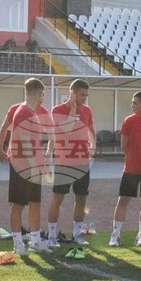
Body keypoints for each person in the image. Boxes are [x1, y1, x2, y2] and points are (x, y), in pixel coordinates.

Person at [0, 78, 53, 257]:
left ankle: (35, 241)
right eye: (43, 94)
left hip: (32, 167)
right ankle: (18, 244)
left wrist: (43, 160)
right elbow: (25, 144)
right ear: (39, 94)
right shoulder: (22, 112)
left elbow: (45, 139)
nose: (44, 98)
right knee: (18, 204)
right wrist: (35, 166)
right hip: (22, 167)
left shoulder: (34, 112)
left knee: (35, 203)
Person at [48, 79, 95, 246]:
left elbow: (91, 130)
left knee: (81, 198)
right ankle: (52, 236)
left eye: (86, 95)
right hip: (64, 162)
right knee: (58, 198)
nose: (84, 98)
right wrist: (73, 110)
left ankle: (77, 234)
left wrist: (92, 147)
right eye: (82, 95)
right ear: (72, 93)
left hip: (82, 162)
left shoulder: (87, 110)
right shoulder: (57, 110)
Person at [110, 91, 141, 247]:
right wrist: (133, 158)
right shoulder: (129, 121)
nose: (132, 105)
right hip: (130, 169)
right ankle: (115, 235)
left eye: (135, 103)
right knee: (123, 201)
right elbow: (124, 145)